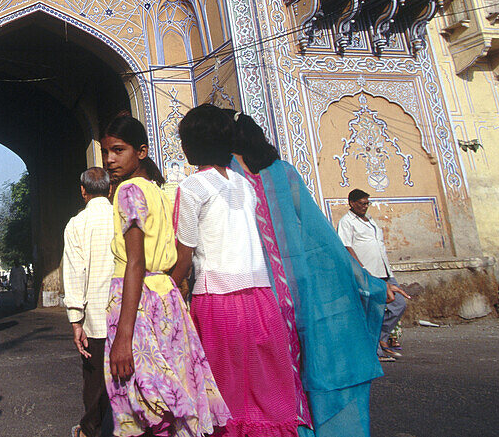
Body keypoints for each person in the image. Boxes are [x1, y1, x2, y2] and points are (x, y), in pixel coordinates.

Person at [233, 113, 386, 437]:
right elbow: (320, 235)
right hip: (301, 287)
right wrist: (361, 279)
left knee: (274, 372)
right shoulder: (285, 173)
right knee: (312, 360)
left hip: (259, 288)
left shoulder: (230, 176)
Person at [173, 103, 301, 436]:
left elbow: (184, 255)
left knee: (225, 394)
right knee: (265, 393)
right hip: (261, 299)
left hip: (217, 299)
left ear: (192, 144)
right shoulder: (245, 185)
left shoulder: (192, 187)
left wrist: (167, 286)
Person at [103, 114, 229, 437]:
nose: (109, 159)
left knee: (146, 401)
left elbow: (134, 263)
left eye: (118, 150)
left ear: (141, 151)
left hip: (137, 301)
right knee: (172, 389)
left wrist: (123, 336)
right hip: (166, 298)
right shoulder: (158, 191)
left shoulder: (128, 191)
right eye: (106, 152)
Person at [62, 167, 116, 437]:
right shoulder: (122, 216)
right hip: (127, 313)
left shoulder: (77, 224)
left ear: (82, 191)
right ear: (109, 189)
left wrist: (76, 320)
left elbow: (75, 273)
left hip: (95, 317)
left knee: (94, 380)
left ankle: (90, 431)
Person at [337, 189, 411, 362]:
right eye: (362, 203)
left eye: (367, 203)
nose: (365, 207)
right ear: (352, 203)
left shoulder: (370, 220)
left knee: (398, 304)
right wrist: (361, 270)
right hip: (367, 273)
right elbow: (346, 247)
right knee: (372, 310)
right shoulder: (347, 222)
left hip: (384, 271)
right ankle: (374, 351)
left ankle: (381, 337)